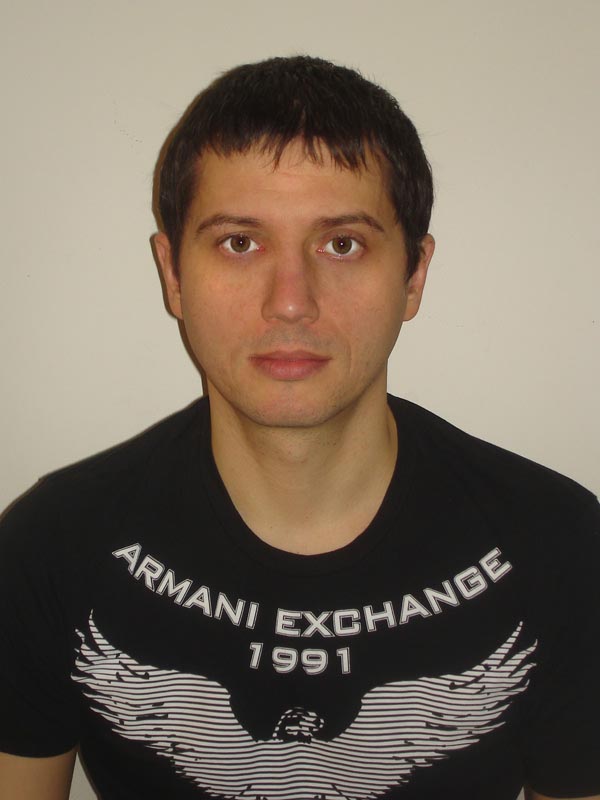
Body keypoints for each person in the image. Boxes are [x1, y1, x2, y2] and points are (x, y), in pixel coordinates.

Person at [0, 55, 598, 800]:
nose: (290, 301)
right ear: (173, 274)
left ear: (414, 276)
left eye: (342, 243)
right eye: (239, 242)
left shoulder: (557, 545)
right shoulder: (51, 548)